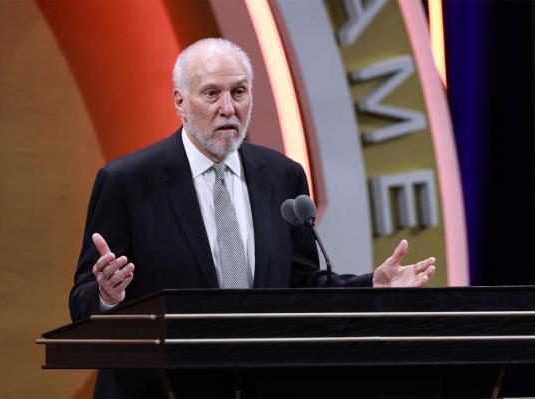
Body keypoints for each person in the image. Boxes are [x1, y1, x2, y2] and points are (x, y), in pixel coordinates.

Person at [69, 38, 436, 398]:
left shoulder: (281, 176)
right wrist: (107, 295)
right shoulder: (128, 182)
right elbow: (81, 300)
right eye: (211, 94)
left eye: (239, 92)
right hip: (159, 388)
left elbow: (300, 283)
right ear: (180, 102)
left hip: (258, 383)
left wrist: (372, 287)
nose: (228, 108)